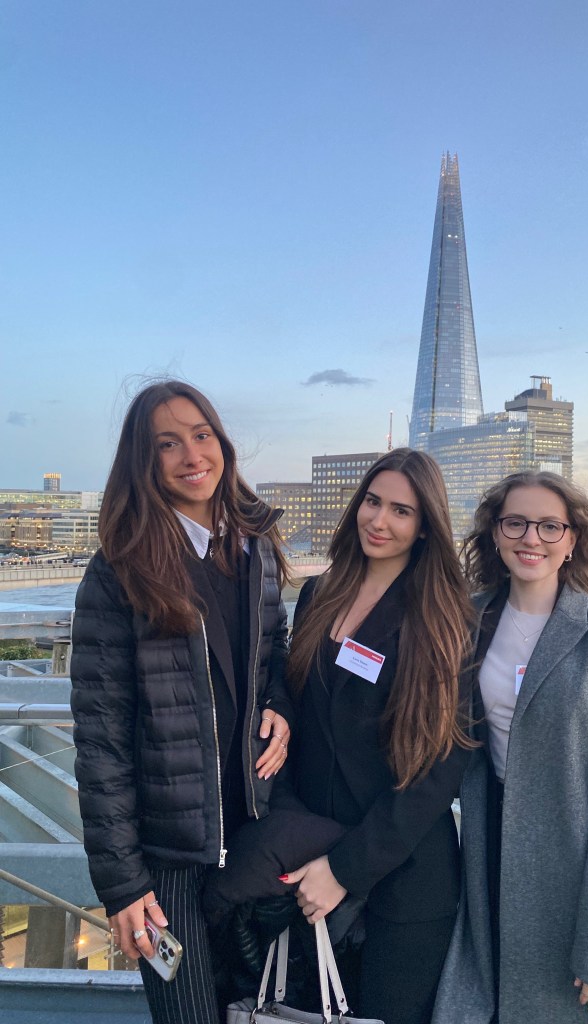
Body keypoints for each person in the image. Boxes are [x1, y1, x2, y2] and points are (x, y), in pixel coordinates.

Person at [70, 380, 293, 1024]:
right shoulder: (120, 569)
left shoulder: (255, 548)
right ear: (143, 462)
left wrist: (282, 700)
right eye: (167, 444)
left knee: (262, 1007)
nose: (192, 454)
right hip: (164, 863)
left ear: (222, 443)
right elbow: (102, 738)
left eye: (202, 435)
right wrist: (122, 884)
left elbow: (277, 651)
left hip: (254, 838)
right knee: (186, 1015)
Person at [433, 471, 588, 1024]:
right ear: (494, 533)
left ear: (573, 540)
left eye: (549, 526)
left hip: (581, 866)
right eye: (515, 522)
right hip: (493, 855)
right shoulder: (467, 622)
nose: (530, 538)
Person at [279, 448, 475, 1024]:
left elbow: (441, 768)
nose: (379, 521)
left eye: (401, 511)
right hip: (309, 862)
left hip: (404, 881)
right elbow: (299, 710)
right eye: (372, 501)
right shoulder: (320, 594)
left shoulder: (444, 617)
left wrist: (346, 869)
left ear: (425, 528)